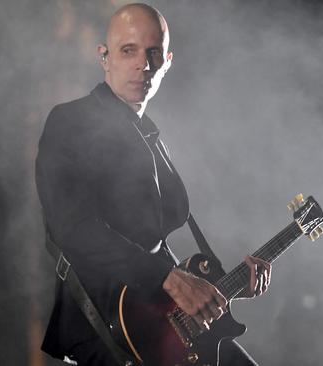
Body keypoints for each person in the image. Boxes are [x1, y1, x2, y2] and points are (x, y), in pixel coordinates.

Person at [36, 3, 271, 365]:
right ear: (104, 57)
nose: (142, 65)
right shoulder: (70, 121)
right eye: (128, 50)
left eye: (153, 53)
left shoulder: (151, 136)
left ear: (168, 62)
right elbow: (74, 229)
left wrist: (223, 288)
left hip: (162, 325)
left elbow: (157, 249)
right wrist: (172, 280)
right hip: (106, 325)